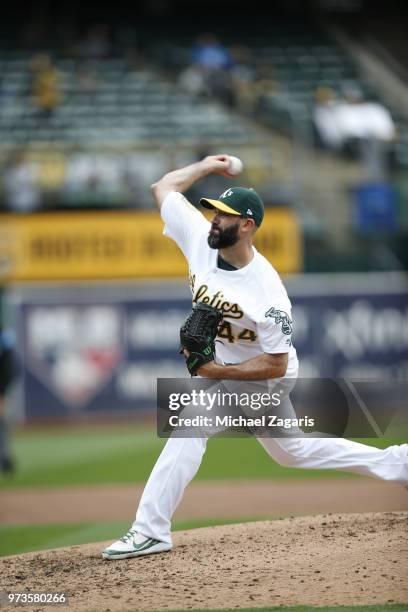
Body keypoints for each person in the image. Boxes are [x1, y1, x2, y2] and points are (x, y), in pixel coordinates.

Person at [102, 154, 408, 560]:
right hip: (226, 369)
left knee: (189, 425)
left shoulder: (267, 294)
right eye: (212, 211)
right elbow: (163, 188)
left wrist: (216, 369)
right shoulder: (199, 235)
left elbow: (276, 363)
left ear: (246, 225)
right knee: (291, 452)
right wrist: (207, 166)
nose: (213, 219)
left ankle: (150, 530)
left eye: (224, 215)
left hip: (265, 377)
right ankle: (398, 463)